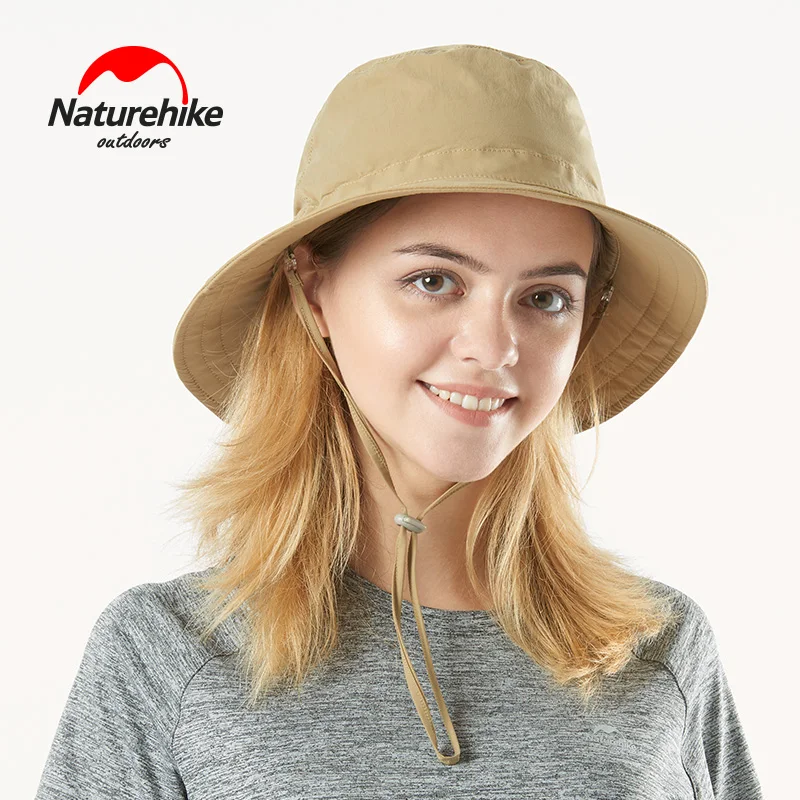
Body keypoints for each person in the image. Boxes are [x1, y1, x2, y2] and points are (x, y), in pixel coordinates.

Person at [35, 44, 764, 798]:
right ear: (313, 291)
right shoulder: (168, 655)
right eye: (434, 281)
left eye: (546, 297)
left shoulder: (660, 652)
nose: (494, 348)